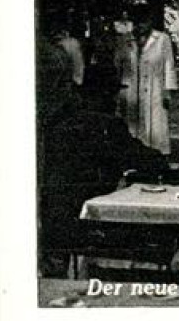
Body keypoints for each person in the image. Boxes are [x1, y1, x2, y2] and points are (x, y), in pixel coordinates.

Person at [37, 35, 166, 276]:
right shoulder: (103, 125)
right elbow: (149, 160)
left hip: (52, 224)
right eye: (113, 94)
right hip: (87, 228)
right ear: (106, 96)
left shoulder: (54, 123)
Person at [116, 4, 178, 154]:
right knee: (132, 127)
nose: (140, 26)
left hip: (155, 89)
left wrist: (168, 91)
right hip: (131, 89)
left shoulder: (162, 39)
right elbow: (118, 66)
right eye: (136, 22)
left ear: (150, 21)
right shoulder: (125, 41)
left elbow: (169, 65)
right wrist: (119, 92)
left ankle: (158, 156)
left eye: (143, 22)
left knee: (155, 127)